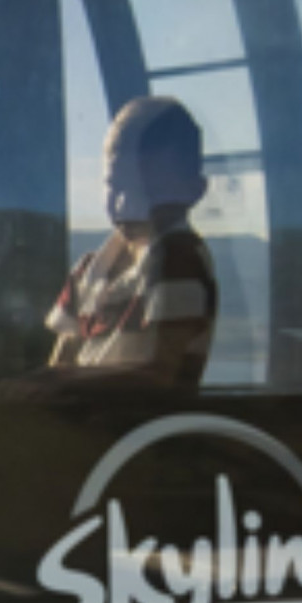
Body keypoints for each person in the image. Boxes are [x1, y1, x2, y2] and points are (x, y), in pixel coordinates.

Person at [46, 95, 217, 389]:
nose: (125, 201)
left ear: (194, 191)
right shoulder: (88, 269)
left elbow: (159, 377)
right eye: (115, 184)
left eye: (148, 186)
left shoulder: (179, 261)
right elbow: (61, 362)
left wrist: (57, 385)